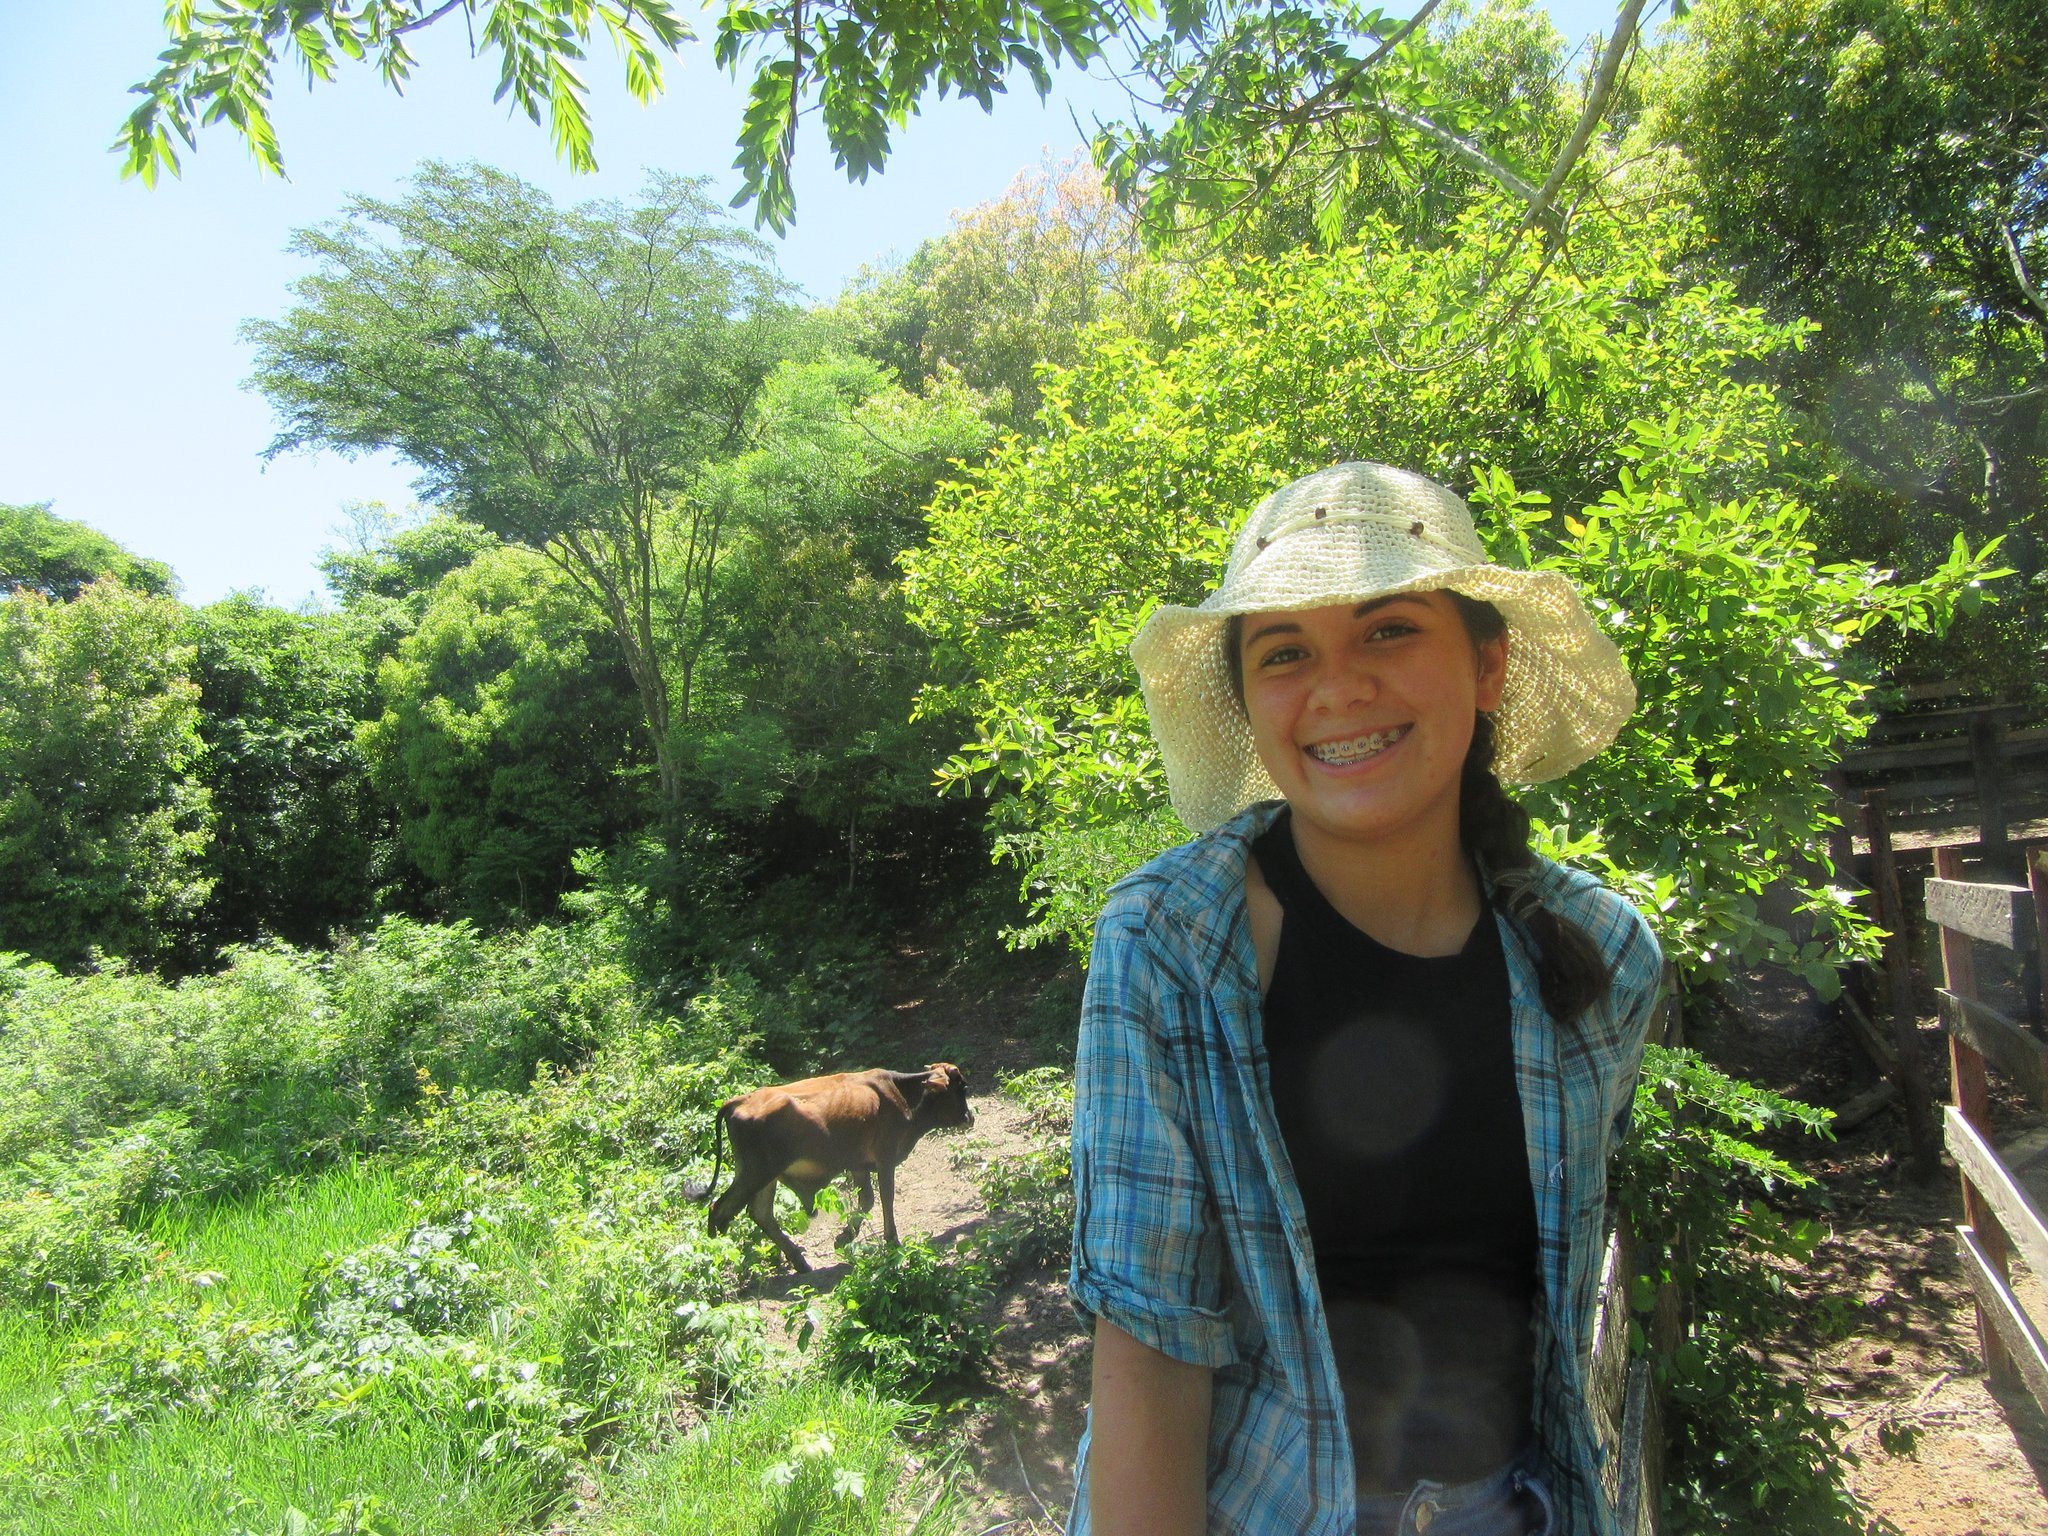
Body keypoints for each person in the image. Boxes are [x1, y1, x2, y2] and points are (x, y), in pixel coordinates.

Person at [1066, 462, 1664, 1536]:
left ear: (1486, 665)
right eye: (1283, 652)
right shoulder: (1168, 946)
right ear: (1246, 705)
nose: (1336, 689)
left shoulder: (1600, 956)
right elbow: (1151, 1339)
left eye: (1387, 631)